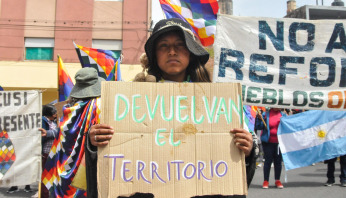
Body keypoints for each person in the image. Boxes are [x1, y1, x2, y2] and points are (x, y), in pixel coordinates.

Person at [87, 18, 256, 198]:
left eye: (180, 45)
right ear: (154, 55)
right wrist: (94, 142)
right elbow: (109, 169)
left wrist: (248, 150)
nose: (172, 52)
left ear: (191, 52)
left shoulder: (217, 102)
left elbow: (234, 171)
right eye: (164, 46)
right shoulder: (129, 102)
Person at [41, 67, 105, 198]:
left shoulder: (68, 111)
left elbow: (60, 136)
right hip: (91, 169)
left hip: (64, 170)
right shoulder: (99, 107)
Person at [255, 108, 286, 189]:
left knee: (278, 162)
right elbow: (259, 127)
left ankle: (277, 180)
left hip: (279, 143)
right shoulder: (265, 114)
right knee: (268, 161)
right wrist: (259, 118)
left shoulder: (283, 115)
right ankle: (266, 181)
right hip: (268, 143)